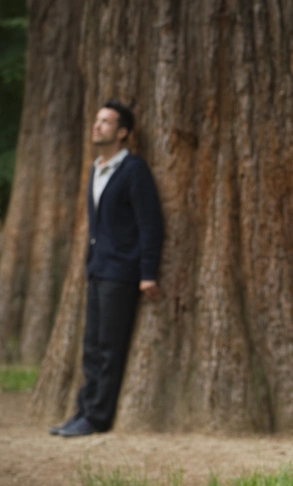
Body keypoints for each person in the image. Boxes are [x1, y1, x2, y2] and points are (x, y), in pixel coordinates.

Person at [49, 99, 164, 437]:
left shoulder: (133, 170)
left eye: (106, 121)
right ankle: (83, 410)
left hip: (122, 273)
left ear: (123, 132)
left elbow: (150, 224)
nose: (97, 126)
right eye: (97, 120)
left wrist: (147, 273)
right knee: (91, 345)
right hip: (97, 270)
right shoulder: (96, 168)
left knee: (109, 348)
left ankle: (97, 418)